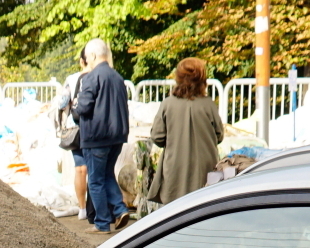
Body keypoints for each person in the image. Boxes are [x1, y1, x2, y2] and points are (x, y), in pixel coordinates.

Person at [73, 38, 131, 233]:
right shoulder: (117, 77)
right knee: (107, 175)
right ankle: (120, 209)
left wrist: (75, 105)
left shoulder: (91, 77)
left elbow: (83, 107)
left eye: (87, 57)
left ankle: (102, 223)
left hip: (96, 136)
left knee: (96, 180)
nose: (86, 60)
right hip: (117, 135)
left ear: (93, 56)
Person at [149, 58, 225, 205]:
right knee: (202, 210)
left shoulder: (168, 104)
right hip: (204, 171)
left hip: (175, 171)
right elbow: (219, 135)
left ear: (178, 78)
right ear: (202, 79)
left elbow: (157, 136)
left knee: (174, 213)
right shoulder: (209, 104)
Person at [55, 50, 92, 219]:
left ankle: (82, 209)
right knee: (95, 169)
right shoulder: (97, 77)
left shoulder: (71, 79)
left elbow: (62, 103)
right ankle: (95, 208)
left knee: (80, 168)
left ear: (80, 61)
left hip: (75, 128)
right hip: (93, 127)